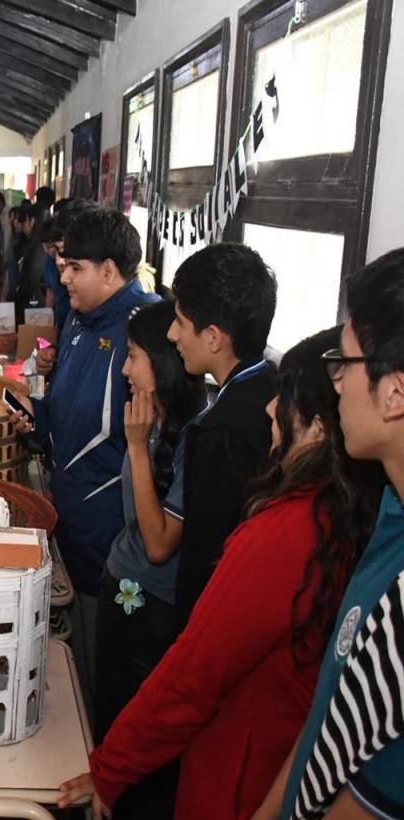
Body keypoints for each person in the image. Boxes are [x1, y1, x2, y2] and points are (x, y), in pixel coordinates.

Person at [58, 326, 384, 820]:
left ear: (317, 427)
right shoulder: (356, 513)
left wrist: (111, 767)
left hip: (237, 782)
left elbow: (195, 671)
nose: (271, 410)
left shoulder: (286, 533)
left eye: (285, 401)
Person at [269, 248, 404, 820]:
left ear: (395, 392)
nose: (338, 383)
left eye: (343, 363)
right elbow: (331, 714)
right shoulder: (391, 512)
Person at [20, 207, 158, 716]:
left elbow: (148, 448)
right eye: (62, 263)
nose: (62, 276)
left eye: (74, 266)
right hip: (71, 524)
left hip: (112, 545)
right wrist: (35, 420)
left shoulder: (143, 332)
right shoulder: (78, 320)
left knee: (110, 672)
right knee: (77, 658)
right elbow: (69, 412)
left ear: (109, 270)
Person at [90, 300, 206, 817]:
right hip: (122, 592)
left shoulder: (189, 440)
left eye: (134, 355)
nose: (124, 368)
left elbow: (159, 544)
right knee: (108, 723)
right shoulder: (153, 421)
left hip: (150, 615)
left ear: (161, 365)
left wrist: (136, 449)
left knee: (134, 745)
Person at [166, 243, 278, 626]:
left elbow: (203, 557)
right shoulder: (271, 387)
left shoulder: (222, 432)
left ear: (214, 338)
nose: (171, 334)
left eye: (180, 321)